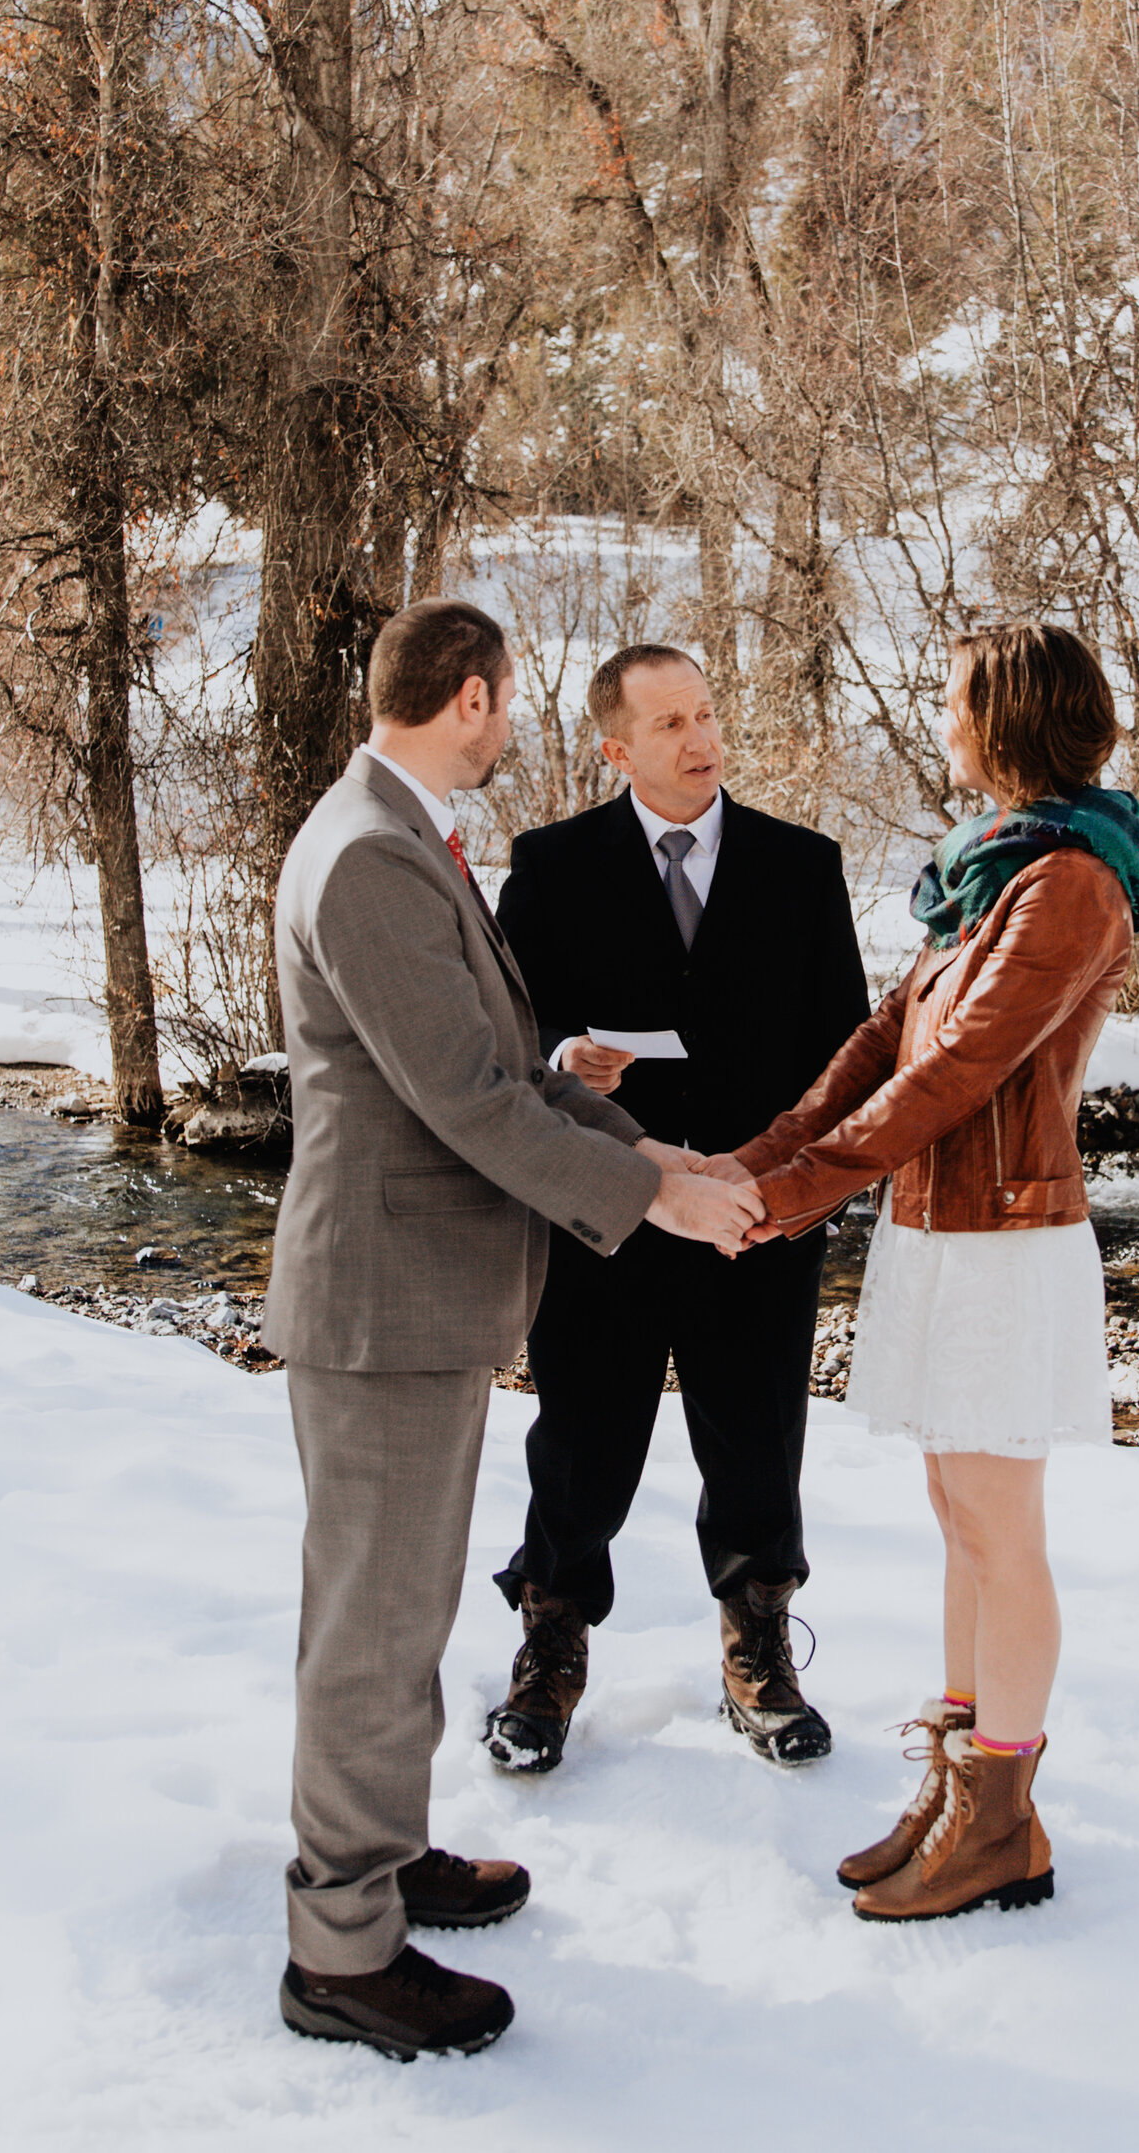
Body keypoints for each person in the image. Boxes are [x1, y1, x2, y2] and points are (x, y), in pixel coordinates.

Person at [265, 597, 758, 2062]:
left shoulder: (400, 835)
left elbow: (505, 1069)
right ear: (469, 699)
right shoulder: (365, 855)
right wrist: (649, 1203)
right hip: (380, 1302)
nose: (511, 729)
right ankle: (342, 1949)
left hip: (421, 1299)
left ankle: (388, 1851)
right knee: (370, 1627)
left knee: (404, 1605)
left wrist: (656, 1155)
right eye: (508, 704)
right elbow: (465, 1105)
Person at [721, 622, 1139, 1923]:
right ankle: (960, 1782)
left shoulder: (1071, 879)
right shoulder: (987, 869)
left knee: (1002, 1531)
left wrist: (792, 1197)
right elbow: (880, 1042)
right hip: (940, 1229)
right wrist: (754, 1163)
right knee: (960, 1520)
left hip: (1008, 1246)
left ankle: (1001, 1817)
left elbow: (957, 1070)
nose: (938, 715)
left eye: (951, 697)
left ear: (1008, 718)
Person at [484, 644, 870, 1772]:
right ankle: (550, 1649)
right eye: (669, 724)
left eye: (705, 713)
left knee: (757, 1441)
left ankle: (758, 1650)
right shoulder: (550, 865)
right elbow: (514, 1033)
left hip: (757, 1215)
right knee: (581, 1442)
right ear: (616, 747)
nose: (700, 738)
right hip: (605, 1212)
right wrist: (567, 1052)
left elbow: (843, 1053)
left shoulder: (804, 865)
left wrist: (798, 1195)